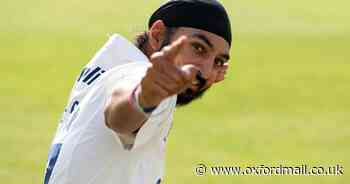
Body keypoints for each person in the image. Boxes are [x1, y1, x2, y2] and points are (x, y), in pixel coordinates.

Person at [43, 0, 232, 183]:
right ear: (158, 34)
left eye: (218, 61)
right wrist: (146, 97)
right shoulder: (141, 79)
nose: (207, 73)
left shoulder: (112, 61)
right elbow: (120, 117)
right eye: (199, 48)